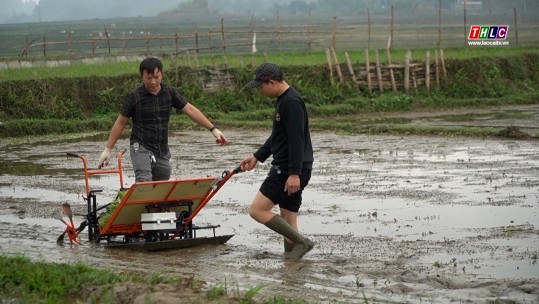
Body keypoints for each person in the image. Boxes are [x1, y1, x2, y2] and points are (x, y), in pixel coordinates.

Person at [98, 57, 227, 182]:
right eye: (148, 78)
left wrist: (213, 129)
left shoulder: (169, 93)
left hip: (162, 149)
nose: (153, 81)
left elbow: (190, 110)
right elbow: (120, 122)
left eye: (156, 77)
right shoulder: (134, 96)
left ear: (161, 75)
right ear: (142, 76)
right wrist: (108, 149)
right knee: (144, 181)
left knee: (161, 184)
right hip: (140, 145)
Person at [241, 62, 314, 260]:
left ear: (271, 82)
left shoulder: (291, 103)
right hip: (295, 169)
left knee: (257, 210)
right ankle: (292, 265)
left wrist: (293, 173)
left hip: (287, 170)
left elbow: (297, 140)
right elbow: (278, 137)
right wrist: (257, 156)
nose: (260, 91)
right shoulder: (284, 100)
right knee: (289, 220)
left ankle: (302, 242)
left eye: (261, 86)